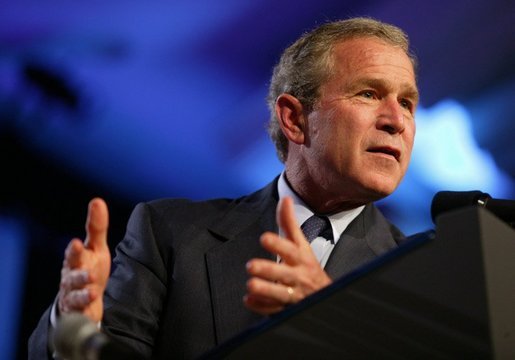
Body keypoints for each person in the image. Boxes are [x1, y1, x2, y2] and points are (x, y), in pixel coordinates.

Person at [29, 17, 419, 359]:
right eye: (368, 93)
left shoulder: (421, 277)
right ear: (295, 119)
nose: (396, 120)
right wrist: (75, 327)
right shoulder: (169, 233)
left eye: (407, 103)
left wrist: (328, 324)